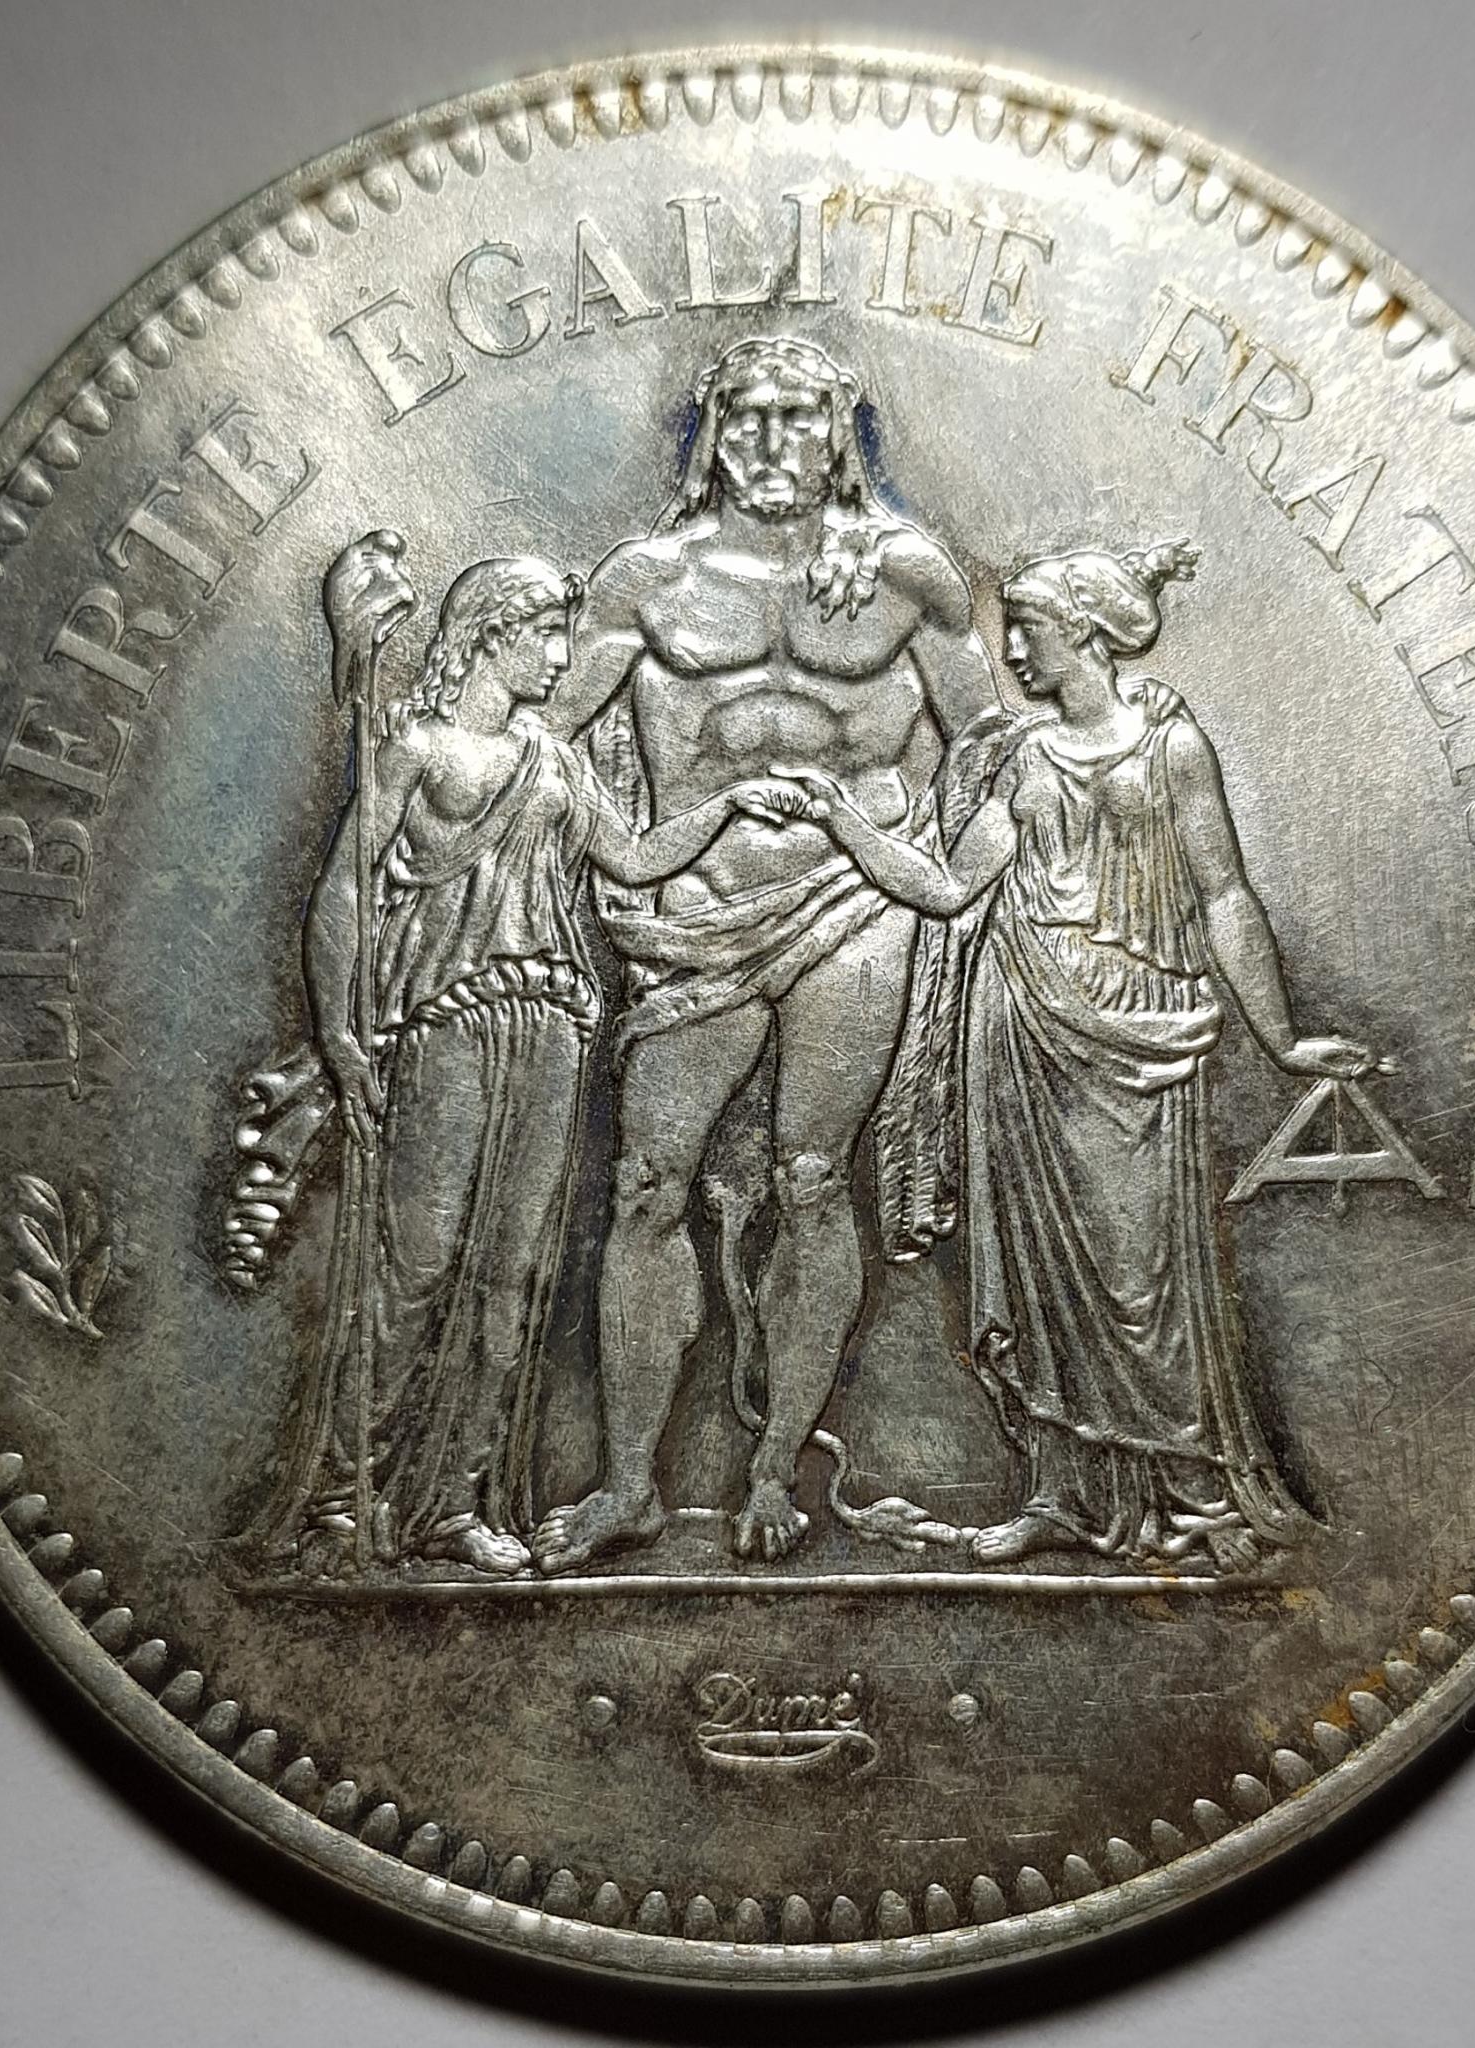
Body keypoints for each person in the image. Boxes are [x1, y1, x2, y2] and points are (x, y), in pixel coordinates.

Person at [787, 542, 1374, 1572]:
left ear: (1087, 632)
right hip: (1020, 1026)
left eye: (1027, 630)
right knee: (1035, 1273)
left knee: (1144, 1277)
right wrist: (841, 822)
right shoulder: (1023, 759)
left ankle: (1192, 1491)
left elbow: (1223, 895)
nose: (1011, 649)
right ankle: (1060, 1491)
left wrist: (1280, 1037)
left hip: (1140, 1030)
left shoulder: (1171, 746)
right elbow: (945, 888)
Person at [529, 335, 1001, 1572]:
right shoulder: (646, 579)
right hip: (694, 902)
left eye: (798, 417)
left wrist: (943, 870)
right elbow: (547, 736)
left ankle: (775, 1467)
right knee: (647, 1181)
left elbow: (987, 744)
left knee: (810, 1175)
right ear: (711, 434)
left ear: (837, 432)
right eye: (747, 416)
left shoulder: (908, 576)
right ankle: (627, 1483)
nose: (772, 441)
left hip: (855, 899)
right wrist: (621, 848)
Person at [249, 547, 803, 1577]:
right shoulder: (416, 750)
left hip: (547, 1025)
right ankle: (342, 1496)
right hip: (448, 1024)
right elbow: (343, 891)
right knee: (417, 1267)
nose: (558, 657)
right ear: (488, 635)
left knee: (512, 1275)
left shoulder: (553, 759)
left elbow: (632, 857)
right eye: (545, 635)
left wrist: (731, 803)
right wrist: (338, 1035)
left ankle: (451, 1503)